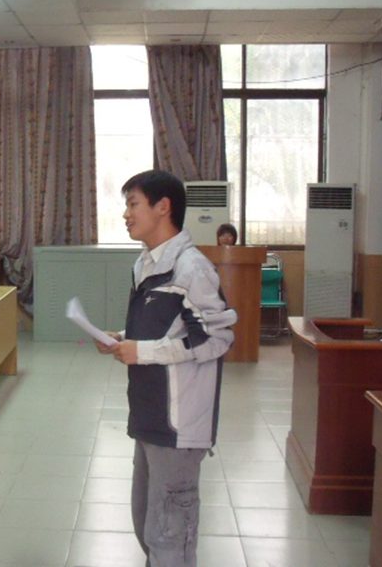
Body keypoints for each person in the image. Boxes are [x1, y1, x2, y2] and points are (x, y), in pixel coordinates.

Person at [94, 170, 237, 567]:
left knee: (170, 534)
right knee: (147, 523)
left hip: (179, 422)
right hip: (149, 413)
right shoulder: (146, 264)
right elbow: (166, 330)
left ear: (163, 207)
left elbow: (217, 338)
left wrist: (144, 352)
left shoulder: (191, 269)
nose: (126, 214)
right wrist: (123, 339)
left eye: (133, 204)